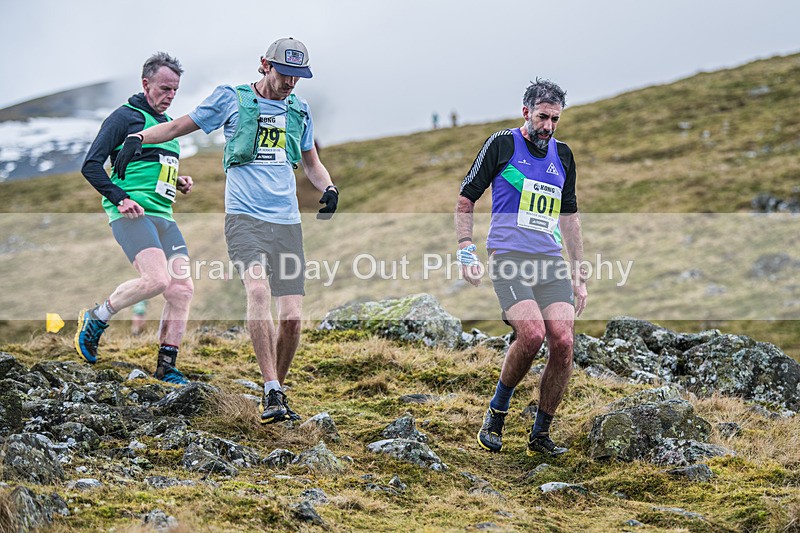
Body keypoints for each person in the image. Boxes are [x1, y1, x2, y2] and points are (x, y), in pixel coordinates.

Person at [114, 37, 338, 424]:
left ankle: (276, 393)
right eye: (285, 74)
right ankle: (271, 386)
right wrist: (138, 138)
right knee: (258, 290)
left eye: (298, 77)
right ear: (265, 65)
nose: (290, 83)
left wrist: (329, 187)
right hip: (244, 219)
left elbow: (312, 163)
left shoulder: (299, 110)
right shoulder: (232, 99)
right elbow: (179, 126)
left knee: (292, 318)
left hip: (287, 224)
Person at [454, 78, 587, 456]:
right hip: (509, 258)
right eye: (542, 117)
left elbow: (570, 217)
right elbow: (466, 199)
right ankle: (496, 413)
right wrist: (466, 249)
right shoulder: (502, 144)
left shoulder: (563, 155)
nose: (548, 126)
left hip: (550, 261)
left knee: (563, 341)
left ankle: (540, 434)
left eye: (555, 119)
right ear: (526, 112)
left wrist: (579, 273)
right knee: (531, 336)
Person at [76, 52, 194, 385]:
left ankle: (167, 367)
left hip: (164, 216)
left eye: (175, 90)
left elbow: (152, 164)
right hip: (132, 213)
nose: (170, 95)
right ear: (146, 84)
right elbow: (91, 165)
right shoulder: (124, 117)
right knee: (156, 280)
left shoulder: (167, 123)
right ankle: (97, 317)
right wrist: (120, 198)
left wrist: (177, 180)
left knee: (182, 289)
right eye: (165, 88)